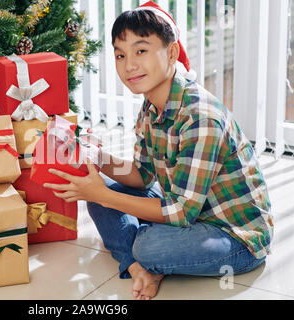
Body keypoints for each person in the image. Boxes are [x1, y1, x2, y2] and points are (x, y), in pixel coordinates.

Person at [43, 1, 273, 300]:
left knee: (146, 242)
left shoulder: (201, 117)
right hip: (187, 212)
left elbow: (179, 211)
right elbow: (144, 176)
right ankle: (142, 268)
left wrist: (102, 194)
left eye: (141, 51)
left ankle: (144, 257)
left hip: (232, 236)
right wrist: (97, 157)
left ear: (172, 52)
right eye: (120, 55)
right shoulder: (152, 106)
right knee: (102, 200)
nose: (129, 65)